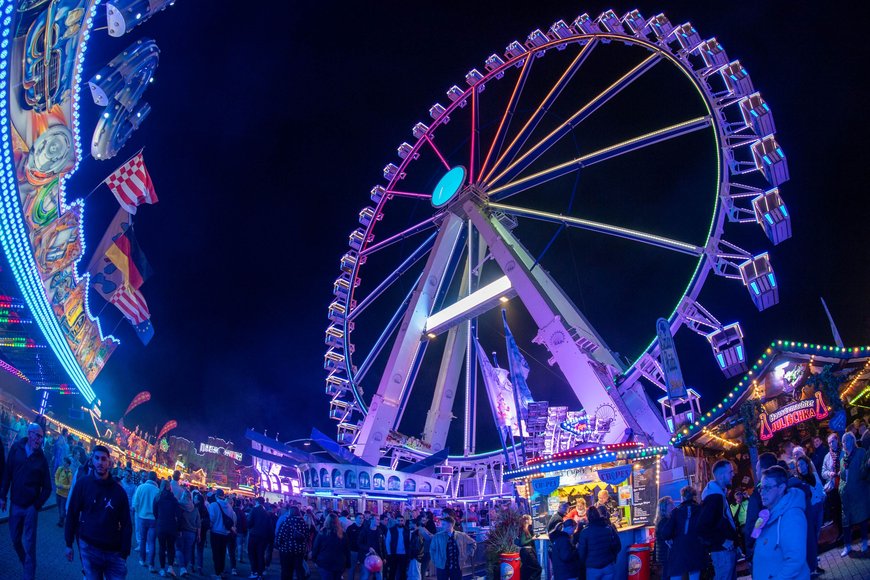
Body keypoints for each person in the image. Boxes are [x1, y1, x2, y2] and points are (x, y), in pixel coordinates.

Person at [64, 445, 133, 579]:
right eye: (97, 458)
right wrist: (68, 543)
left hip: (114, 552)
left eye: (103, 459)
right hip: (89, 546)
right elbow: (72, 513)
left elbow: (126, 524)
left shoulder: (119, 492)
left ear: (109, 463)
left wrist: (124, 553)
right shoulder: (83, 484)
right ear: (92, 460)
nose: (100, 462)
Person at [0, 422, 52, 580]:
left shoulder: (41, 459)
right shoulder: (16, 448)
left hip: (30, 508)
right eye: (37, 436)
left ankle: (29, 574)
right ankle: (24, 560)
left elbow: (48, 487)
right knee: (15, 539)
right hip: (15, 504)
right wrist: (3, 496)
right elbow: (7, 473)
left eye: (41, 438)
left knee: (30, 545)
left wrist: (36, 505)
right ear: (29, 433)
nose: (39, 440)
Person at [751, 466, 810, 579]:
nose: (762, 492)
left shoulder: (792, 516)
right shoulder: (769, 514)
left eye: (767, 487)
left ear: (781, 488)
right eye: (761, 487)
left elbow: (795, 560)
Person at [698, 459, 739, 580]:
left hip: (725, 549)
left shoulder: (718, 494)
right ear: (721, 475)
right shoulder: (714, 497)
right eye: (730, 472)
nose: (733, 474)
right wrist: (723, 541)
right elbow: (702, 526)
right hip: (722, 552)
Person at [658, 486, 705, 580]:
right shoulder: (700, 510)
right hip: (696, 550)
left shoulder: (676, 512)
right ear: (694, 496)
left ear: (682, 497)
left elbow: (665, 533)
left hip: (679, 552)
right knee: (694, 576)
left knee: (676, 576)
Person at [838, 431, 870, 556]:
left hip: (859, 492)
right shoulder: (842, 459)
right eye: (844, 441)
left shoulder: (861, 452)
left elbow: (865, 471)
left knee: (862, 519)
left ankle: (864, 542)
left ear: (853, 441)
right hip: (847, 496)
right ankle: (847, 546)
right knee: (846, 522)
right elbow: (842, 477)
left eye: (848, 440)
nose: (846, 443)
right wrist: (841, 489)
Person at [745, 452, 779, 560]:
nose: (755, 472)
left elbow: (754, 523)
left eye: (757, 469)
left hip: (766, 544)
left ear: (763, 470)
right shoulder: (782, 485)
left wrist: (751, 545)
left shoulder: (759, 495)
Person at [795, 455, 825, 575]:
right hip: (810, 510)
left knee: (816, 533)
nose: (800, 467)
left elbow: (819, 488)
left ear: (807, 464)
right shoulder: (799, 481)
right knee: (810, 537)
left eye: (802, 464)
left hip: (819, 507)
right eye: (798, 465)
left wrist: (823, 495)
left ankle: (814, 561)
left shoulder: (813, 475)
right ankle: (812, 565)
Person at [576, 505, 620, 580]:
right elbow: (618, 546)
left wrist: (583, 564)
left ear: (588, 517)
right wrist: (612, 557)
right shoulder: (609, 528)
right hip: (608, 565)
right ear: (598, 515)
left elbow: (581, 553)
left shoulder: (585, 532)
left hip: (592, 568)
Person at [429, 515, 475, 580]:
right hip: (442, 566)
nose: (442, 526)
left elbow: (472, 543)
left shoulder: (461, 535)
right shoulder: (437, 536)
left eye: (444, 524)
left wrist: (467, 554)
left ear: (450, 525)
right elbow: (432, 550)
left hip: (456, 566)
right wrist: (435, 561)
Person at [132, 471, 160, 571]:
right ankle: (151, 564)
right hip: (153, 520)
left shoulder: (141, 487)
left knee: (143, 540)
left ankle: (142, 559)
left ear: (148, 477)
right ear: (156, 479)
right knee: (152, 542)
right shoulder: (157, 491)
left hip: (142, 517)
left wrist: (139, 513)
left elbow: (135, 503)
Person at [154, 479, 182, 576]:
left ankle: (162, 569)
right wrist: (178, 528)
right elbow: (179, 514)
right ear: (169, 487)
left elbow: (155, 512)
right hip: (171, 526)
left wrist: (159, 519)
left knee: (162, 548)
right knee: (171, 547)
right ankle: (170, 567)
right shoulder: (173, 499)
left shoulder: (157, 498)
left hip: (161, 525)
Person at [311, 512, 350, 580]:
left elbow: (316, 547)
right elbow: (347, 550)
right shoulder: (342, 534)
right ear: (337, 522)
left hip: (325, 562)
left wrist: (314, 559)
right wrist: (348, 563)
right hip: (339, 562)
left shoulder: (322, 533)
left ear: (326, 521)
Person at [209, 488, 237, 577]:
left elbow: (211, 519)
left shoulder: (213, 505)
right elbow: (232, 520)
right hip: (226, 533)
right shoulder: (229, 506)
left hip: (215, 532)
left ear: (216, 496)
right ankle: (221, 571)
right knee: (222, 553)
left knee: (216, 553)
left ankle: (217, 574)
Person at [276, 505, 309, 579]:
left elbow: (280, 535)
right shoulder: (304, 523)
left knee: (286, 570)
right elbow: (307, 536)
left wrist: (278, 545)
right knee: (299, 569)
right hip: (299, 550)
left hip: (286, 550)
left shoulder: (286, 522)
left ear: (290, 512)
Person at [821, 433, 844, 539]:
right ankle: (841, 531)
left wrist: (842, 471)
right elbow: (823, 472)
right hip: (834, 485)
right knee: (837, 510)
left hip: (845, 483)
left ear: (837, 440)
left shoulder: (843, 451)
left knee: (846, 507)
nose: (831, 444)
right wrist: (829, 474)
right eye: (829, 442)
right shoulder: (827, 456)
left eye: (832, 441)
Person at [176, 489, 200, 576]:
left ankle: (182, 567)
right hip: (192, 533)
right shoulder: (195, 508)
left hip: (181, 531)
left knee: (178, 549)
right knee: (187, 550)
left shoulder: (179, 505)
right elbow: (198, 523)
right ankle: (184, 568)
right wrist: (199, 535)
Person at [248, 496, 273, 578]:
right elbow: (269, 527)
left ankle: (254, 571)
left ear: (257, 502)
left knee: (252, 554)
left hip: (254, 535)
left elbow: (249, 523)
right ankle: (260, 573)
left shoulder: (254, 510)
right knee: (260, 554)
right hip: (263, 537)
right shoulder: (266, 513)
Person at [360, 512, 387, 580]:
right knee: (365, 576)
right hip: (367, 557)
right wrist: (368, 548)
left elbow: (383, 545)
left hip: (378, 557)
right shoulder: (365, 530)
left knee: (379, 576)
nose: (379, 521)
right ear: (371, 520)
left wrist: (384, 557)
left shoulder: (380, 531)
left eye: (379, 519)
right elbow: (359, 543)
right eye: (377, 519)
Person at [516, 514, 542, 580]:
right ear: (527, 520)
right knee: (537, 568)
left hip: (526, 551)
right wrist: (532, 539)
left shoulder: (525, 529)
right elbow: (523, 542)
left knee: (527, 569)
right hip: (527, 552)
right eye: (530, 519)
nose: (532, 520)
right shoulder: (524, 530)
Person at [385, 513, 411, 580]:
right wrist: (389, 553)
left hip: (404, 554)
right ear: (396, 521)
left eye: (401, 520)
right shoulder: (391, 529)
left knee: (403, 572)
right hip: (394, 554)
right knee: (392, 571)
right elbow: (387, 542)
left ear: (403, 521)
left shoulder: (407, 530)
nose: (400, 522)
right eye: (398, 520)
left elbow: (410, 542)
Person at [654, 496, 674, 579]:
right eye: (670, 503)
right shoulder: (664, 521)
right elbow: (667, 537)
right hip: (665, 553)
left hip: (663, 553)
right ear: (664, 507)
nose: (673, 505)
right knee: (666, 575)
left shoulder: (663, 520)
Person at [193, 490, 210, 575]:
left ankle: (192, 565)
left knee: (192, 548)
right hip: (202, 532)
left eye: (195, 498)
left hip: (193, 531)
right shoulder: (205, 509)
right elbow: (208, 522)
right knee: (200, 550)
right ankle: (200, 567)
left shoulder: (194, 508)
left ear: (199, 500)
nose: (194, 499)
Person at [55, 455, 73, 526]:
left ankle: (62, 520)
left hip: (64, 495)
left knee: (62, 509)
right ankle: (61, 518)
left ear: (68, 464)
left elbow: (70, 486)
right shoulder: (60, 469)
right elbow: (56, 476)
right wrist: (57, 484)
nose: (63, 463)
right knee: (59, 507)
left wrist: (63, 486)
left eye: (65, 462)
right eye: (64, 461)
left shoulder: (69, 473)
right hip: (58, 492)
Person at [347, 513, 363, 580]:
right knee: (352, 568)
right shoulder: (350, 528)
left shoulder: (365, 528)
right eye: (360, 518)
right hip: (353, 551)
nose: (361, 519)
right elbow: (347, 540)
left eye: (362, 518)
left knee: (363, 569)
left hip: (362, 551)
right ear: (355, 518)